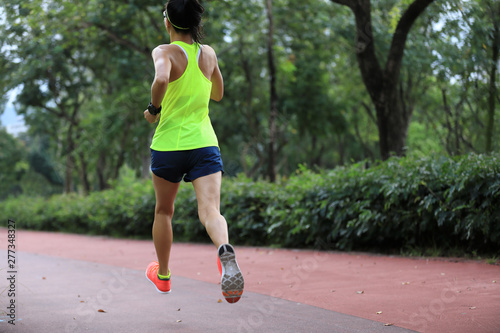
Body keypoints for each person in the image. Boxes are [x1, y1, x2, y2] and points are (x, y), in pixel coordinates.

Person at [143, 0, 244, 304]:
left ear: (168, 23)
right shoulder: (208, 53)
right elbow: (218, 93)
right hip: (204, 144)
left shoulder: (163, 52)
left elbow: (161, 79)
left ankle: (162, 275)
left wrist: (153, 109)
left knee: (164, 211)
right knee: (210, 211)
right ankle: (224, 250)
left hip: (168, 146)